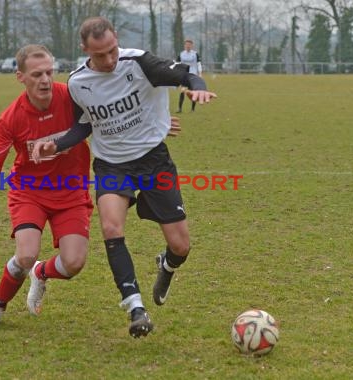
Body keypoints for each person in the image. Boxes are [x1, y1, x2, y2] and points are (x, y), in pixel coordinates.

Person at [32, 16, 217, 339]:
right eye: (100, 54)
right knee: (111, 227)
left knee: (181, 245)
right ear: (85, 49)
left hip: (153, 161)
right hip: (112, 165)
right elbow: (84, 125)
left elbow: (183, 75)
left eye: (112, 50)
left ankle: (167, 265)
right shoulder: (78, 82)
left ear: (117, 39)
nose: (109, 60)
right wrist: (56, 144)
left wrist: (198, 88)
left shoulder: (139, 63)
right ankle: (135, 308)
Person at [0, 44, 94, 332]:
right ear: (20, 77)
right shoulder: (11, 118)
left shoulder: (70, 97)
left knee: (74, 263)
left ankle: (41, 273)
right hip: (29, 191)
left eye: (49, 72)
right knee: (26, 254)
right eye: (37, 74)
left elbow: (100, 119)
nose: (45, 80)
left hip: (71, 190)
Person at [176, 39, 203, 113]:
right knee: (182, 91)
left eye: (189, 45)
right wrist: (176, 73)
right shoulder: (181, 54)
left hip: (193, 75)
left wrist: (200, 73)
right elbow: (177, 64)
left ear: (191, 45)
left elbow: (198, 64)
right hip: (184, 75)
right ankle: (179, 109)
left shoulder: (195, 54)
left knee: (193, 92)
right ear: (184, 45)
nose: (188, 46)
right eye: (186, 44)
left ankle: (193, 109)